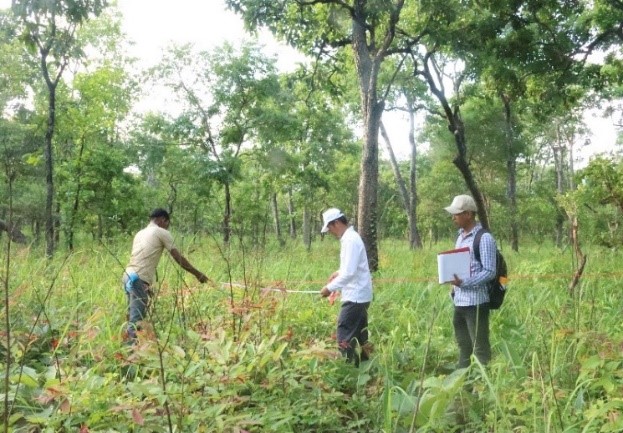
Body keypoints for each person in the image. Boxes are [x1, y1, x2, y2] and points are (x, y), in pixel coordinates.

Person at [122, 208, 209, 342]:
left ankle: (135, 349)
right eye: (167, 223)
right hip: (138, 279)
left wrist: (147, 285)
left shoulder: (140, 233)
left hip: (128, 276)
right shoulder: (162, 232)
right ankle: (131, 356)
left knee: (133, 315)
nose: (167, 226)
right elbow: (178, 258)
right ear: (163, 220)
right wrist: (198, 274)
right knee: (136, 321)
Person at [444, 194, 497, 368]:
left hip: (476, 303)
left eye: (457, 214)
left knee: (480, 348)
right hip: (459, 301)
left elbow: (490, 272)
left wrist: (465, 283)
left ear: (468, 214)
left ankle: (483, 388)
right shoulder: (460, 237)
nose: (453, 218)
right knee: (464, 345)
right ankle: (463, 383)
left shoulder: (484, 238)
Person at [319, 208, 373, 366]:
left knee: (345, 335)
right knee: (360, 334)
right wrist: (338, 272)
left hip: (355, 297)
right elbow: (350, 267)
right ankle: (365, 366)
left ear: (336, 223)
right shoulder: (350, 238)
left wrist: (328, 288)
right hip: (360, 295)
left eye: (329, 227)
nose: (329, 232)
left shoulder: (350, 240)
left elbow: (349, 273)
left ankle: (348, 368)